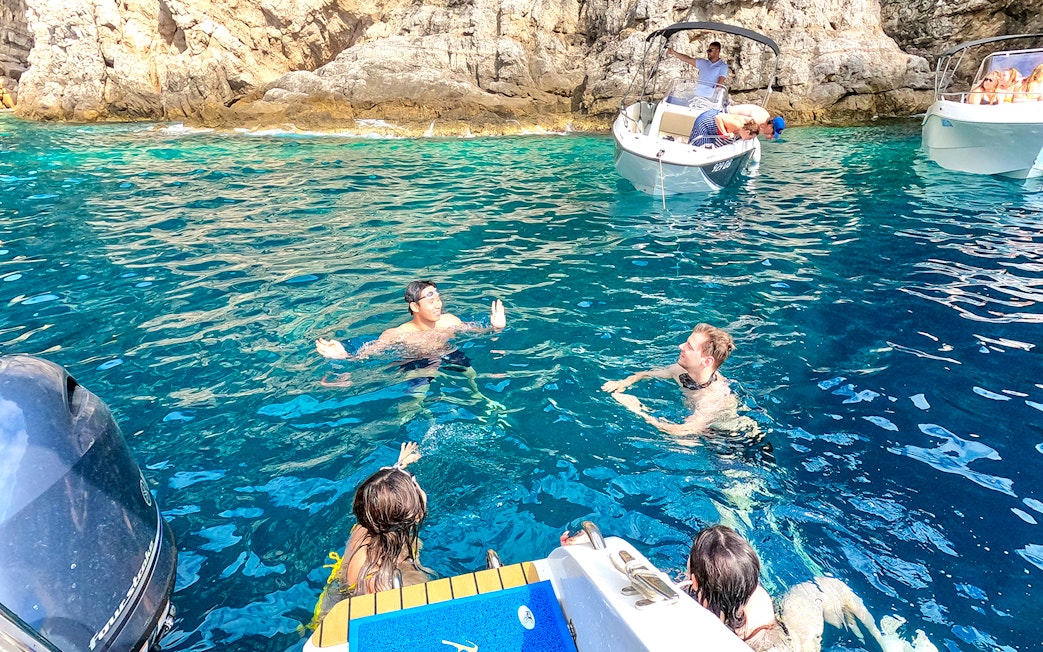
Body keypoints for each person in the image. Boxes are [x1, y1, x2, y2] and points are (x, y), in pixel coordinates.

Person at [313, 442, 434, 621]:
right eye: (414, 485)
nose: (419, 487)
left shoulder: (369, 523)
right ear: (416, 515)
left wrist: (400, 465)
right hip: (338, 621)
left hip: (334, 596)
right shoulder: (399, 581)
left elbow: (380, 493)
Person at [601, 323, 742, 436]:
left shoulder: (712, 398)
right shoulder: (678, 370)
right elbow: (647, 373)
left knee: (686, 444)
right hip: (705, 430)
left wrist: (638, 409)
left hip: (726, 442)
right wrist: (624, 382)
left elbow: (683, 432)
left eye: (689, 346)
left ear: (706, 361)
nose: (680, 346)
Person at [315, 280, 506, 360]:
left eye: (439, 299)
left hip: (447, 353)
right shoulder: (397, 334)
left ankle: (483, 402)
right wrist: (344, 357)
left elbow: (477, 332)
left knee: (470, 376)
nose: (438, 304)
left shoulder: (450, 321)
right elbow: (367, 354)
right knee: (418, 396)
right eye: (431, 300)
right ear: (415, 307)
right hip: (417, 363)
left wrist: (495, 328)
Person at [688, 110, 759, 147]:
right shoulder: (738, 125)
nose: (749, 140)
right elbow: (718, 117)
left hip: (711, 123)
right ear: (747, 132)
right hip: (706, 122)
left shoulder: (743, 126)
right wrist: (724, 133)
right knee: (701, 148)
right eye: (750, 138)